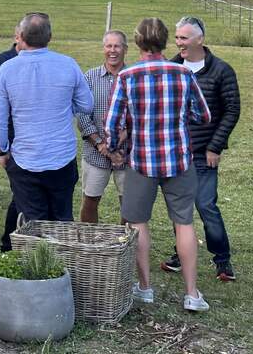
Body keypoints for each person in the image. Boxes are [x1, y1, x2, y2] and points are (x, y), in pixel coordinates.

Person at [104, 18, 211, 312]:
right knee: (184, 223)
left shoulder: (127, 76)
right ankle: (191, 293)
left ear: (137, 43)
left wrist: (116, 148)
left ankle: (145, 288)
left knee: (138, 223)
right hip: (179, 159)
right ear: (165, 41)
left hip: (141, 161)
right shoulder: (182, 73)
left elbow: (112, 126)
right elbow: (203, 115)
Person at [0, 13, 93, 247]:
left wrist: (1, 151)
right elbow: (86, 104)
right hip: (62, 157)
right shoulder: (68, 64)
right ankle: (65, 271)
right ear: (50, 37)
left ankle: (39, 275)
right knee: (62, 219)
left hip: (26, 158)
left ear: (21, 37)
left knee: (33, 222)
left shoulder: (7, 69)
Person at [162, 16, 240, 282]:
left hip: (204, 152)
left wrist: (215, 146)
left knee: (206, 205)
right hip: (176, 152)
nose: (179, 43)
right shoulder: (171, 67)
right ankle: (180, 255)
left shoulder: (221, 71)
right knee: (179, 209)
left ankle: (222, 260)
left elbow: (231, 111)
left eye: (184, 38)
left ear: (200, 39)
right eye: (177, 38)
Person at [76, 30, 129, 224]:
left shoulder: (133, 77)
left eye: (117, 46)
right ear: (103, 49)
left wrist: (124, 136)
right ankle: (90, 247)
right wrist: (101, 145)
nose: (113, 50)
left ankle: (124, 246)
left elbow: (141, 114)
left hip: (127, 154)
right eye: (109, 46)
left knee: (129, 204)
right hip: (95, 152)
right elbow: (81, 115)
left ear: (125, 49)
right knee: (90, 201)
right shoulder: (89, 77)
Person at [0, 29, 18, 250]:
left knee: (22, 195)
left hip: (35, 142)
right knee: (21, 194)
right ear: (17, 37)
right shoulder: (2, 63)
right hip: (13, 141)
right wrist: (2, 148)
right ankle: (8, 245)